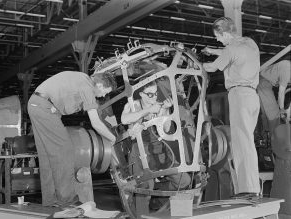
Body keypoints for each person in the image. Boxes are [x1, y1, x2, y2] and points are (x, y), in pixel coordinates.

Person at [27, 71, 117, 207]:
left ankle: (50, 200)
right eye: (105, 91)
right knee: (65, 150)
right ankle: (67, 200)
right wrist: (112, 138)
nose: (104, 95)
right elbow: (95, 123)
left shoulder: (81, 79)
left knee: (47, 156)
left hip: (37, 104)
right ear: (98, 84)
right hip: (44, 108)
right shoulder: (88, 86)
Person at [202, 17, 261, 196]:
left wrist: (196, 64)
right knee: (248, 143)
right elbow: (230, 52)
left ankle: (247, 190)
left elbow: (212, 68)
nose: (218, 40)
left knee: (241, 144)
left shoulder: (231, 48)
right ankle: (253, 188)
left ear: (224, 33)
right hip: (252, 96)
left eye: (218, 36)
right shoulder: (249, 43)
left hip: (239, 96)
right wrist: (212, 50)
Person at [121, 79, 191, 210]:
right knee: (145, 187)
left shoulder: (159, 105)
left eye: (155, 93)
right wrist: (148, 111)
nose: (154, 97)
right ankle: (140, 214)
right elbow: (124, 119)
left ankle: (162, 203)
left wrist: (165, 111)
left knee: (184, 180)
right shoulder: (133, 105)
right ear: (141, 94)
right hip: (141, 153)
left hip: (160, 151)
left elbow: (167, 128)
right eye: (150, 94)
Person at [257, 60, 291, 133]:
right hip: (264, 81)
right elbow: (281, 93)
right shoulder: (287, 68)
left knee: (266, 112)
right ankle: (276, 138)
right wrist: (281, 109)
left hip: (262, 81)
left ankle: (266, 135)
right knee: (274, 112)